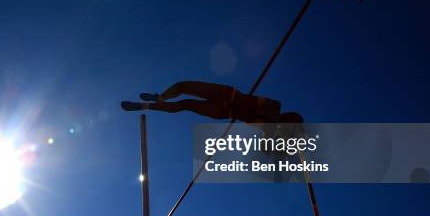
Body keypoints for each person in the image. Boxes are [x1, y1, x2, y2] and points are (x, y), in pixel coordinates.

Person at [121, 81, 303, 124]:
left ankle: (144, 106)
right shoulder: (275, 106)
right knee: (183, 86)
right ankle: (160, 98)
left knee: (186, 104)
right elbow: (264, 106)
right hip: (228, 96)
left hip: (223, 111)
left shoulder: (267, 128)